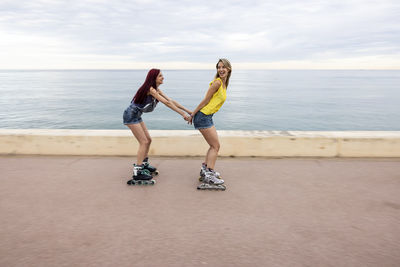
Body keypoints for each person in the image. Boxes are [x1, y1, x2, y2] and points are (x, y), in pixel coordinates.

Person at [123, 69, 192, 183]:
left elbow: (170, 100)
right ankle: (138, 172)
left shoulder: (156, 90)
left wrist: (187, 110)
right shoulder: (150, 90)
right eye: (160, 76)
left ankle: (144, 164)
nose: (163, 77)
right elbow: (167, 103)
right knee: (143, 142)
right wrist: (183, 115)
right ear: (153, 78)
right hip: (130, 116)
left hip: (137, 115)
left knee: (148, 140)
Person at [189, 59, 232, 186]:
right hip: (203, 116)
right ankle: (209, 174)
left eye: (223, 67)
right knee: (215, 146)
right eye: (219, 67)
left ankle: (205, 170)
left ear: (229, 69)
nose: (221, 69)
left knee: (213, 145)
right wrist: (193, 113)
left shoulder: (224, 84)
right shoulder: (217, 83)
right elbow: (206, 100)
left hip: (207, 116)